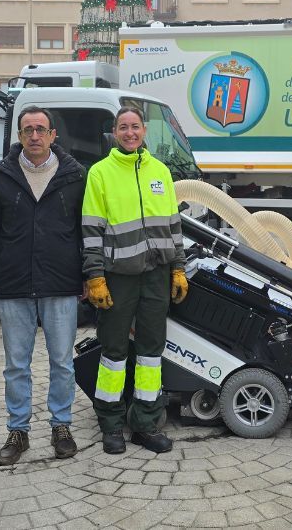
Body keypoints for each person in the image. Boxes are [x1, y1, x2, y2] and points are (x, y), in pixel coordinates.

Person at [0, 105, 86, 466]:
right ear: (19, 135)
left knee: (62, 362)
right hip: (13, 284)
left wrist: (88, 276)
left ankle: (61, 426)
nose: (35, 136)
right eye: (28, 130)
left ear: (53, 135)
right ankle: (18, 431)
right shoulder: (0, 175)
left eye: (41, 129)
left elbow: (85, 232)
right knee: (16, 366)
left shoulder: (74, 175)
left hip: (61, 283)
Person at [82, 106, 187, 455]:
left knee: (151, 353)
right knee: (113, 353)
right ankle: (111, 424)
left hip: (157, 276)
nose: (130, 133)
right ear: (115, 132)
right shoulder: (100, 173)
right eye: (123, 127)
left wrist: (178, 267)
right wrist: (95, 276)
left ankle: (145, 423)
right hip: (118, 277)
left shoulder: (160, 171)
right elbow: (91, 231)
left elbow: (173, 225)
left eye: (135, 127)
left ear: (144, 131)